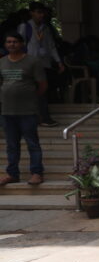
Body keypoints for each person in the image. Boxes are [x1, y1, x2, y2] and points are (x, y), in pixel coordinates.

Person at [0, 31, 46, 186]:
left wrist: (30, 97)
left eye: (15, 42)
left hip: (27, 111)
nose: (11, 44)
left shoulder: (32, 62)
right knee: (11, 145)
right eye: (8, 42)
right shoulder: (2, 62)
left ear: (22, 44)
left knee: (32, 143)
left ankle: (36, 173)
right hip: (7, 111)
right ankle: (12, 174)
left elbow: (42, 85)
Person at [18, 2, 62, 127]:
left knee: (41, 91)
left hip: (44, 63)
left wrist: (58, 61)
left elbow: (51, 46)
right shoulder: (25, 27)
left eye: (42, 12)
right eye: (38, 12)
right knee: (37, 91)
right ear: (31, 13)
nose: (41, 15)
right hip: (29, 63)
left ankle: (39, 117)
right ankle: (43, 118)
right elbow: (19, 45)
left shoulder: (45, 28)